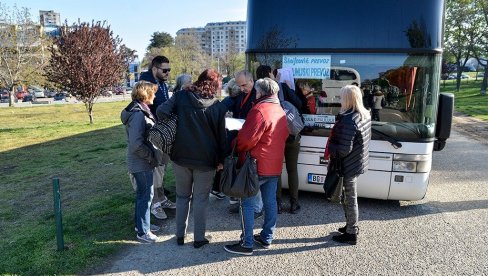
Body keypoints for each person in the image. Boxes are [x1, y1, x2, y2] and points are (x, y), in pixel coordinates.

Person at [157, 68, 227, 249]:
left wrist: (179, 93)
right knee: (201, 199)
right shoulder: (217, 106)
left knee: (182, 197)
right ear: (215, 86)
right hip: (206, 160)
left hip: (180, 156)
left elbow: (161, 112)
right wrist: (221, 161)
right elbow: (221, 138)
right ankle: (199, 238)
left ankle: (180, 236)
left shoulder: (181, 97)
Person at [224, 77, 289, 256]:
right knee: (270, 202)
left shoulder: (259, 109)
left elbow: (246, 140)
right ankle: (267, 237)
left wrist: (236, 143)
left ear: (259, 92)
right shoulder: (280, 109)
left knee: (247, 203)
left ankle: (247, 243)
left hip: (255, 164)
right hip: (274, 163)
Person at [325, 85, 371, 245]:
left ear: (347, 99)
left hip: (348, 165)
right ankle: (350, 226)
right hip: (356, 162)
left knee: (350, 198)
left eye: (341, 97)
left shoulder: (349, 120)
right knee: (348, 197)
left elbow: (343, 150)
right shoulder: (363, 115)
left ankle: (352, 233)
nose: (339, 100)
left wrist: (330, 146)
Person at [120, 81, 164, 243]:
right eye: (153, 92)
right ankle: (143, 232)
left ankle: (142, 225)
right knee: (146, 195)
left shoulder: (139, 110)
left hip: (141, 161)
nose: (155, 95)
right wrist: (150, 157)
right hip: (141, 162)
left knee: (143, 194)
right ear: (146, 94)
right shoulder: (138, 114)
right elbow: (136, 144)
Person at [139, 56, 175, 220]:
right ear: (155, 69)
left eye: (169, 70)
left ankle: (161, 198)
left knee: (161, 168)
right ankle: (155, 204)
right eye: (164, 70)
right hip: (153, 133)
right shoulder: (146, 84)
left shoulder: (161, 82)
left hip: (163, 132)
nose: (167, 73)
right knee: (155, 169)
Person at [226, 70, 263, 217]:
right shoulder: (242, 94)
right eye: (239, 86)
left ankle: (257, 208)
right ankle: (244, 204)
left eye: (244, 85)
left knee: (253, 176)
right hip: (241, 138)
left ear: (251, 81)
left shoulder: (257, 94)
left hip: (252, 140)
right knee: (243, 174)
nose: (242, 88)